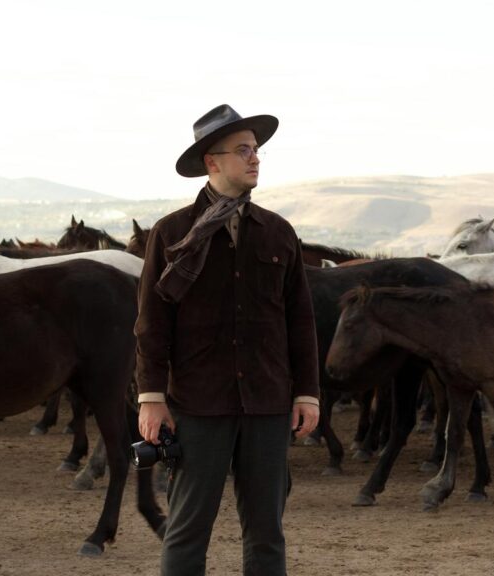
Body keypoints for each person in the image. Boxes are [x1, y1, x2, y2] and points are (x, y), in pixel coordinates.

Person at [135, 103, 321, 576]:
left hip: (267, 404)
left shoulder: (279, 234)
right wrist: (151, 398)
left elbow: (300, 321)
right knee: (187, 529)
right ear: (212, 162)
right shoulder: (172, 234)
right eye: (243, 150)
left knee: (266, 534)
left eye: (256, 149)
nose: (255, 158)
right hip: (198, 405)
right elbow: (152, 323)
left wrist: (307, 393)